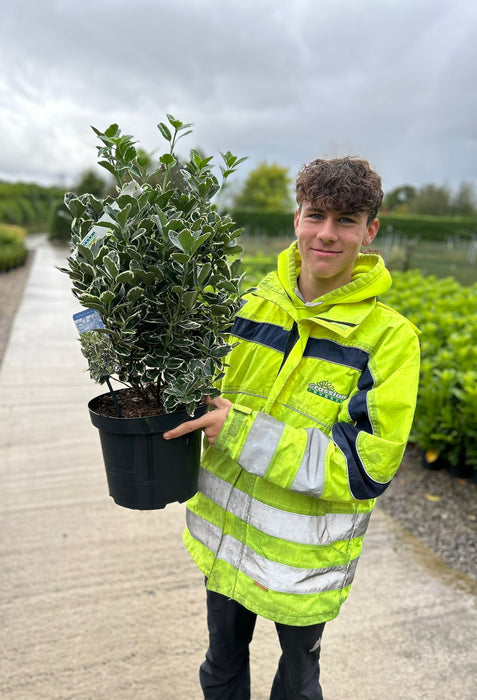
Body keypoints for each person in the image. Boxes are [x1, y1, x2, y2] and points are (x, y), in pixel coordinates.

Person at [163, 157, 420, 699]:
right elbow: (202, 395)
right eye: (316, 215)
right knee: (220, 668)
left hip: (302, 565)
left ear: (370, 231)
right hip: (225, 542)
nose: (327, 234)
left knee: (299, 684)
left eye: (346, 220)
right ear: (296, 219)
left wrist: (238, 431)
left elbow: (363, 470)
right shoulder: (247, 306)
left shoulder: (389, 341)